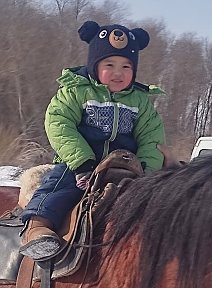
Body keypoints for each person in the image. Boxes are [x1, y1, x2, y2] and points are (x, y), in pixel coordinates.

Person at [19, 20, 166, 261]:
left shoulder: (140, 101)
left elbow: (152, 138)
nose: (118, 72)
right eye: (110, 64)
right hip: (80, 163)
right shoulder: (76, 90)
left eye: (126, 66)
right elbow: (59, 123)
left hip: (124, 167)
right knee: (58, 186)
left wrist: (148, 170)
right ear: (94, 65)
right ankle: (37, 227)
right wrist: (81, 161)